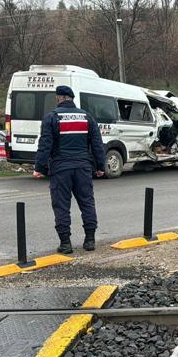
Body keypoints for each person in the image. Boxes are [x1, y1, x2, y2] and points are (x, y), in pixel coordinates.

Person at [33, 86, 106, 254]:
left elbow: (45, 145)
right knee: (87, 203)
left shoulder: (51, 117)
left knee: (61, 206)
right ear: (72, 98)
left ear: (59, 98)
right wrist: (100, 166)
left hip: (61, 168)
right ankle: (90, 241)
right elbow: (97, 144)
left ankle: (65, 244)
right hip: (83, 167)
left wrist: (39, 168)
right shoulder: (87, 117)